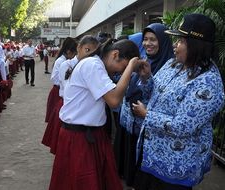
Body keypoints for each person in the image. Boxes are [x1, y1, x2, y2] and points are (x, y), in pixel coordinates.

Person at [132, 14, 225, 190]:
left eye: (181, 41)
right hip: (150, 154)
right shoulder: (172, 64)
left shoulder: (208, 82)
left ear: (196, 45)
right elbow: (153, 95)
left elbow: (183, 126)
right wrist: (146, 78)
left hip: (174, 166)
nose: (175, 45)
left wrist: (146, 115)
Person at [49, 39, 146, 190]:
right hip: (79, 137)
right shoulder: (92, 65)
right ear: (115, 54)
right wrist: (130, 67)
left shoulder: (96, 65)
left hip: (88, 135)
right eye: (123, 67)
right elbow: (114, 100)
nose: (121, 72)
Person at [117, 23, 174, 188]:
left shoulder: (169, 67)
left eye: (153, 40)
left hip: (150, 131)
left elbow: (159, 96)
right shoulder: (145, 60)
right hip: (131, 125)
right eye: (145, 39)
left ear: (163, 42)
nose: (147, 43)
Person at [42, 35, 100, 154]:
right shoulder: (65, 64)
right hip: (65, 100)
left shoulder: (88, 64)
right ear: (78, 48)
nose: (89, 55)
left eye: (93, 52)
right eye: (87, 50)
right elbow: (60, 82)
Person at [44, 37, 77, 123]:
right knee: (58, 120)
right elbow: (54, 78)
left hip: (62, 91)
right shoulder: (61, 61)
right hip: (57, 92)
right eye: (74, 53)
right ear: (68, 51)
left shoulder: (67, 60)